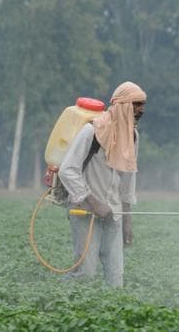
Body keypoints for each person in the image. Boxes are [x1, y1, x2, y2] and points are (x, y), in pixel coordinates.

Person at [58, 81, 146, 287]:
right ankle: (57, 302)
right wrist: (93, 202)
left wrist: (127, 222)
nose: (142, 109)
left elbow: (128, 181)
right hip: (84, 211)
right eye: (137, 104)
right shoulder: (91, 132)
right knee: (85, 274)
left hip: (113, 213)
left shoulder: (133, 136)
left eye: (143, 104)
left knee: (116, 279)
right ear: (123, 104)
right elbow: (67, 170)